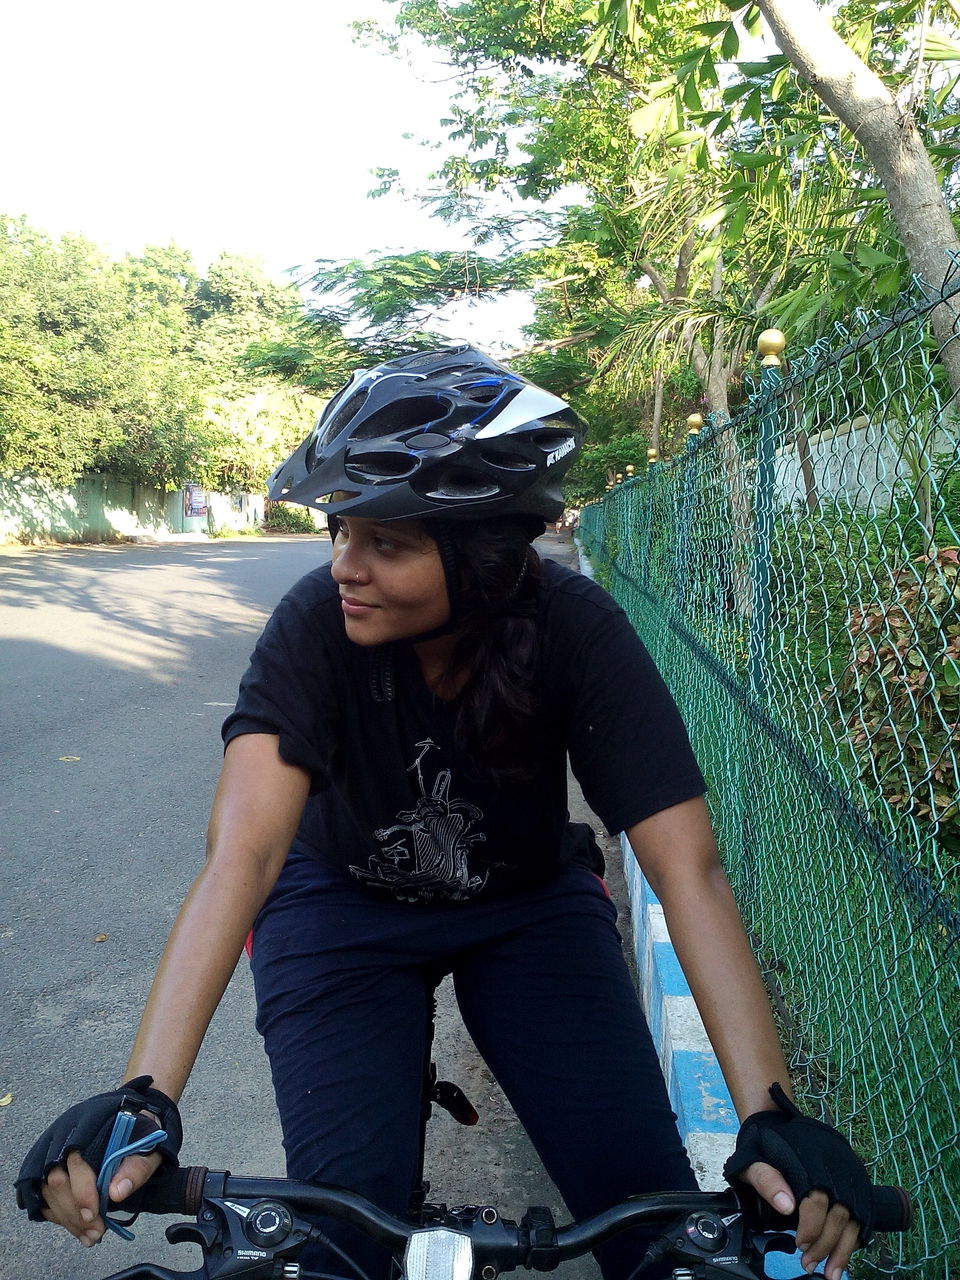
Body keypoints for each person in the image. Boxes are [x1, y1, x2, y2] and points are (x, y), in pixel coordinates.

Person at [17, 346, 875, 1280]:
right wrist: (146, 1097)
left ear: (482, 557)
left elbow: (688, 871)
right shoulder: (313, 625)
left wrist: (772, 1114)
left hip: (527, 908)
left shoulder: (574, 629)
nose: (345, 565)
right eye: (342, 530)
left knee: (650, 1224)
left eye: (387, 543)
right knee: (338, 1241)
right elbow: (243, 862)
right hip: (336, 906)